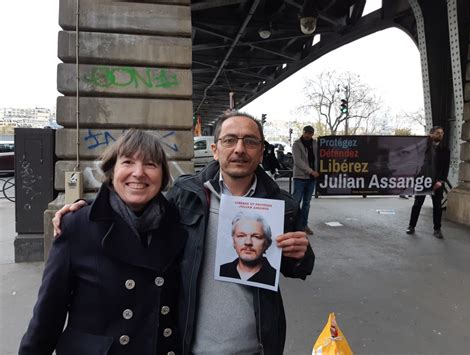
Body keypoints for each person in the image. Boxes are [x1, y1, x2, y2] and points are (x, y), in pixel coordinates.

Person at [53, 111, 315, 355]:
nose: (239, 149)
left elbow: (296, 267)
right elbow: (140, 208)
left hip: (255, 346)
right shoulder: (186, 194)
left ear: (260, 152)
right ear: (215, 150)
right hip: (189, 344)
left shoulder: (283, 206)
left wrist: (301, 254)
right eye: (230, 140)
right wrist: (87, 211)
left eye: (250, 141)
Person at [20, 130, 186, 355]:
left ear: (163, 175)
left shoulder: (176, 224)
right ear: (112, 171)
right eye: (127, 162)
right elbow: (48, 315)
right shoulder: (77, 226)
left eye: (150, 165)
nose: (138, 173)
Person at [406, 126, 450, 239]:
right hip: (423, 180)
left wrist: (441, 181)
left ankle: (437, 229)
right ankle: (411, 226)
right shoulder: (423, 146)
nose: (440, 135)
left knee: (437, 207)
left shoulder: (445, 149)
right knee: (417, 204)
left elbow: (446, 167)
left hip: (437, 182)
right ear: (431, 134)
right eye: (438, 133)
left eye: (442, 133)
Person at [219, 211, 277, 286]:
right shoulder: (222, 271)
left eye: (256, 237)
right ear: (233, 241)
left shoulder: (273, 277)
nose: (248, 242)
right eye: (241, 236)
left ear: (267, 243)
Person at [292, 125, 319, 234]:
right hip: (300, 177)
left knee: (307, 203)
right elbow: (298, 161)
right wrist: (311, 171)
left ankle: (304, 225)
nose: (307, 135)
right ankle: (293, 225)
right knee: (296, 202)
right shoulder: (296, 144)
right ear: (303, 132)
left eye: (310, 133)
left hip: (311, 178)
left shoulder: (315, 144)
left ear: (312, 134)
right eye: (306, 132)